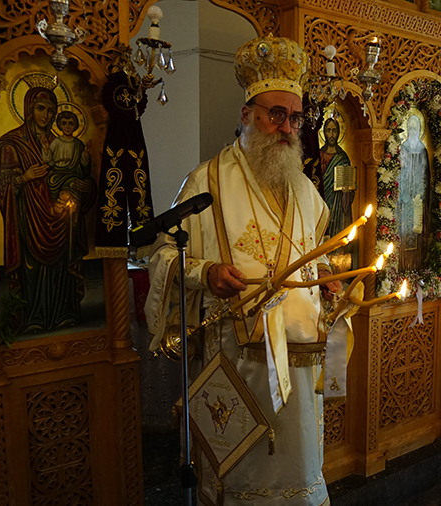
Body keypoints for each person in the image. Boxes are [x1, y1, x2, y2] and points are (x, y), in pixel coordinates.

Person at [145, 35, 342, 506]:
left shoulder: (306, 190)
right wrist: (207, 273)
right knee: (239, 477)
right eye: (276, 114)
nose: (287, 128)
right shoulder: (206, 181)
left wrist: (326, 279)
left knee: (298, 474)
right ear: (247, 114)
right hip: (236, 365)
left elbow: (315, 253)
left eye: (295, 118)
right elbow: (163, 255)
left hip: (301, 363)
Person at [0, 88, 96, 333]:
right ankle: (33, 318)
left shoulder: (62, 142)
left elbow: (81, 173)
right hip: (29, 219)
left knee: (62, 267)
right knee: (32, 269)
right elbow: (1, 185)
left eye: (51, 111)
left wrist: (87, 185)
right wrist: (24, 177)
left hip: (64, 220)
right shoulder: (11, 143)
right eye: (40, 108)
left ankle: (65, 313)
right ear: (28, 109)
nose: (46, 115)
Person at [319, 116, 356, 271]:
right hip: (322, 202)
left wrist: (347, 192)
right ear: (324, 133)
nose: (331, 134)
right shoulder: (319, 155)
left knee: (337, 236)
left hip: (338, 208)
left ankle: (338, 269)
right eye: (328, 130)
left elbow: (351, 188)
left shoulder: (343, 157)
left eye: (334, 130)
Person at [397, 114, 430, 271]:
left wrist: (420, 193)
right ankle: (402, 266)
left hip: (418, 198)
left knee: (417, 231)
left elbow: (425, 175)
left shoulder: (423, 150)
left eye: (416, 128)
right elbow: (399, 173)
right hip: (404, 197)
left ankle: (417, 266)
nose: (413, 130)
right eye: (410, 128)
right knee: (403, 229)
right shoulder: (403, 149)